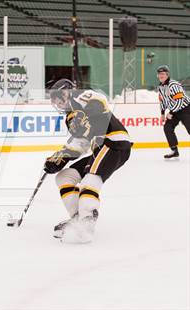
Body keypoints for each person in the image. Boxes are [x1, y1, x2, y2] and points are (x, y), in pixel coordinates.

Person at [44, 79, 132, 243]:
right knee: (64, 177)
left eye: (56, 97)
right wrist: (59, 159)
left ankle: (86, 224)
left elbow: (100, 101)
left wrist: (88, 115)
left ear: (66, 92)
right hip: (100, 148)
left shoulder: (80, 96)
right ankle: (78, 218)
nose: (54, 102)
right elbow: (80, 143)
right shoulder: (71, 116)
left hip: (113, 142)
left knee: (90, 182)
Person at [157, 65, 190, 159]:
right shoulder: (160, 87)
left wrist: (171, 112)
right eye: (159, 74)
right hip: (175, 111)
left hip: (185, 109)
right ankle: (174, 150)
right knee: (167, 128)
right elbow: (162, 101)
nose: (161, 76)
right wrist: (162, 113)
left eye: (163, 74)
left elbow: (180, 100)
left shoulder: (173, 84)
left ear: (167, 75)